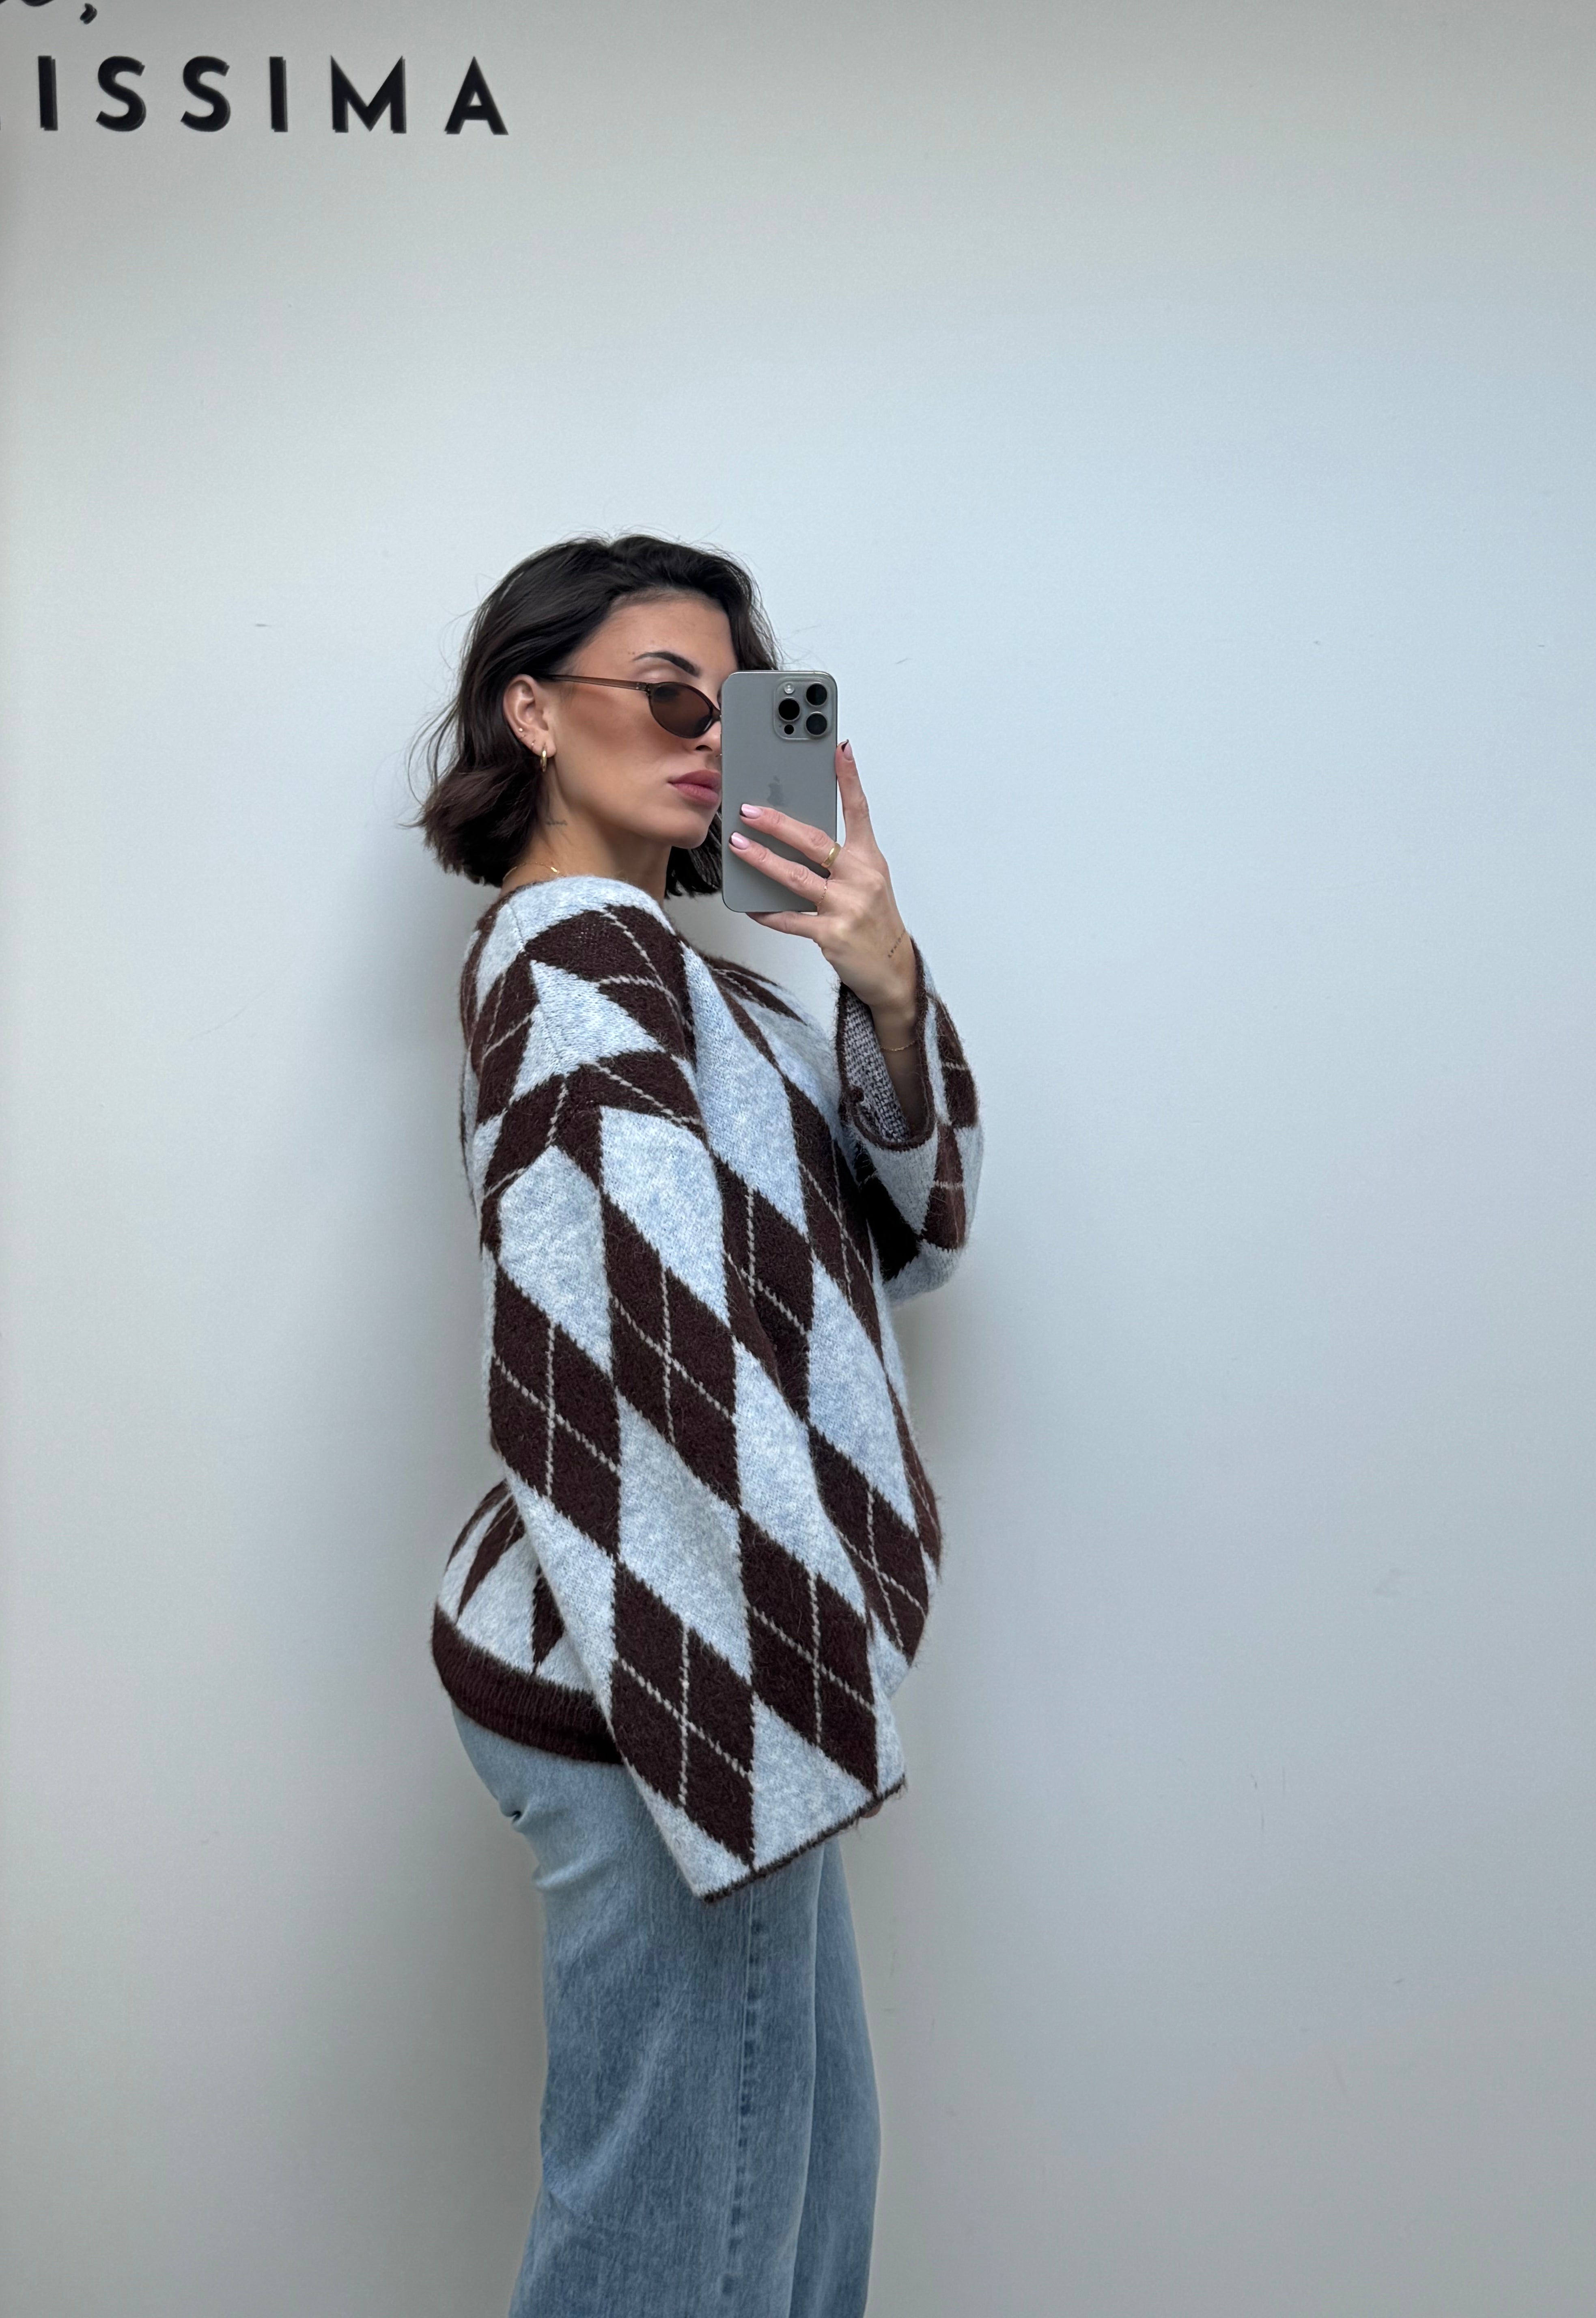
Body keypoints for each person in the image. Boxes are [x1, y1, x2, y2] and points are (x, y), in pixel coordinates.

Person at [415, 534, 983, 2318]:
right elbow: (629, 1344)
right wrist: (756, 1699)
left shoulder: (693, 977)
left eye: (733, 709)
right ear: (531, 711)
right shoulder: (571, 957)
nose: (708, 739)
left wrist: (882, 981)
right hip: (665, 1677)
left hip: (698, 1658)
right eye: (667, 697)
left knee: (781, 2203)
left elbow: (908, 1238)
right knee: (690, 2239)